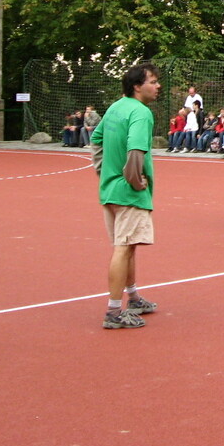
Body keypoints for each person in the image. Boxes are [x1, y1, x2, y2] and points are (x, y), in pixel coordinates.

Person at [93, 63, 161, 329]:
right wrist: (134, 180)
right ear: (137, 86)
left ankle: (132, 298)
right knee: (123, 249)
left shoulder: (115, 107)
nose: (157, 86)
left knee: (127, 245)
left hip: (110, 190)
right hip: (129, 194)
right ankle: (113, 311)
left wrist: (104, 172)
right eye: (153, 82)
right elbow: (136, 150)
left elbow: (96, 139)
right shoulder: (141, 113)